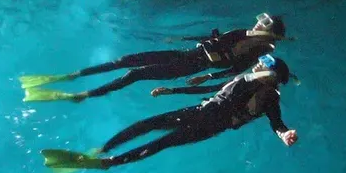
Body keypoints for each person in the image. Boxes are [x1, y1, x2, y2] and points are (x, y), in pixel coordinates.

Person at [40, 54, 298, 170]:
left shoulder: (264, 92)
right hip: (208, 123)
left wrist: (284, 134)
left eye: (262, 66)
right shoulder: (252, 83)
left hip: (206, 117)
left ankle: (103, 154)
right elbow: (214, 91)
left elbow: (277, 123)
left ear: (268, 74)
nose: (256, 66)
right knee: (161, 141)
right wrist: (171, 92)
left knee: (149, 127)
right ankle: (106, 161)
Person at [20, 13, 287, 102]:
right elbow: (214, 38)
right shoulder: (244, 32)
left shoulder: (257, 51)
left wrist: (205, 76)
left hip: (192, 64)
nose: (257, 22)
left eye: (262, 23)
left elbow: (232, 71)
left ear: (268, 33)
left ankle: (83, 96)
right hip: (186, 53)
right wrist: (183, 40)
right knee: (126, 60)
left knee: (135, 74)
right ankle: (75, 75)